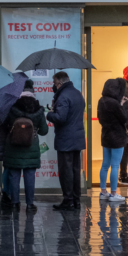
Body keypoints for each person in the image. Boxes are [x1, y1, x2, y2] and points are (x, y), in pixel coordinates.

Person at [3, 80, 49, 212]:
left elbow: (6, 126)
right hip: (31, 148)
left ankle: (15, 203)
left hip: (13, 148)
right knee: (30, 177)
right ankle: (29, 204)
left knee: (14, 176)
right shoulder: (38, 109)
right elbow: (44, 130)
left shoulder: (12, 107)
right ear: (32, 91)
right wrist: (33, 130)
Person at [47, 72, 86, 211]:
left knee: (66, 171)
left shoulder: (63, 96)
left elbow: (60, 118)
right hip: (77, 138)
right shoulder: (77, 93)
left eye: (55, 83)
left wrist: (50, 114)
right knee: (75, 170)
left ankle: (68, 200)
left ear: (60, 83)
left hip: (66, 140)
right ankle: (76, 200)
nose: (54, 86)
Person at [97, 79, 128, 202]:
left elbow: (100, 118)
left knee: (105, 165)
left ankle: (103, 191)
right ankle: (114, 193)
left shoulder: (102, 101)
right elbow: (124, 118)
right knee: (115, 165)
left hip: (105, 135)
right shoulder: (115, 103)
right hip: (117, 137)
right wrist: (121, 104)